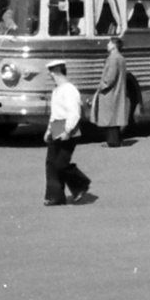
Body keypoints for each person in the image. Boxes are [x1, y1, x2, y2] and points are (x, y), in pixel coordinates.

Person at [43, 58, 92, 206]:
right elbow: (55, 113)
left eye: (51, 73)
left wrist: (67, 131)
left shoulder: (70, 90)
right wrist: (49, 130)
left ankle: (81, 184)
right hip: (57, 126)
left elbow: (74, 113)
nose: (50, 76)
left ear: (57, 72)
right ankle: (55, 196)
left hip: (68, 128)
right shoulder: (57, 91)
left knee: (61, 164)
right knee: (51, 163)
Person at [92, 36, 129, 147]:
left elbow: (110, 78)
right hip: (117, 91)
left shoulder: (112, 58)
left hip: (110, 93)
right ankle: (116, 140)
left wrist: (101, 87)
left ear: (114, 45)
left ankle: (112, 142)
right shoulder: (121, 58)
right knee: (115, 116)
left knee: (110, 118)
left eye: (108, 43)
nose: (107, 45)